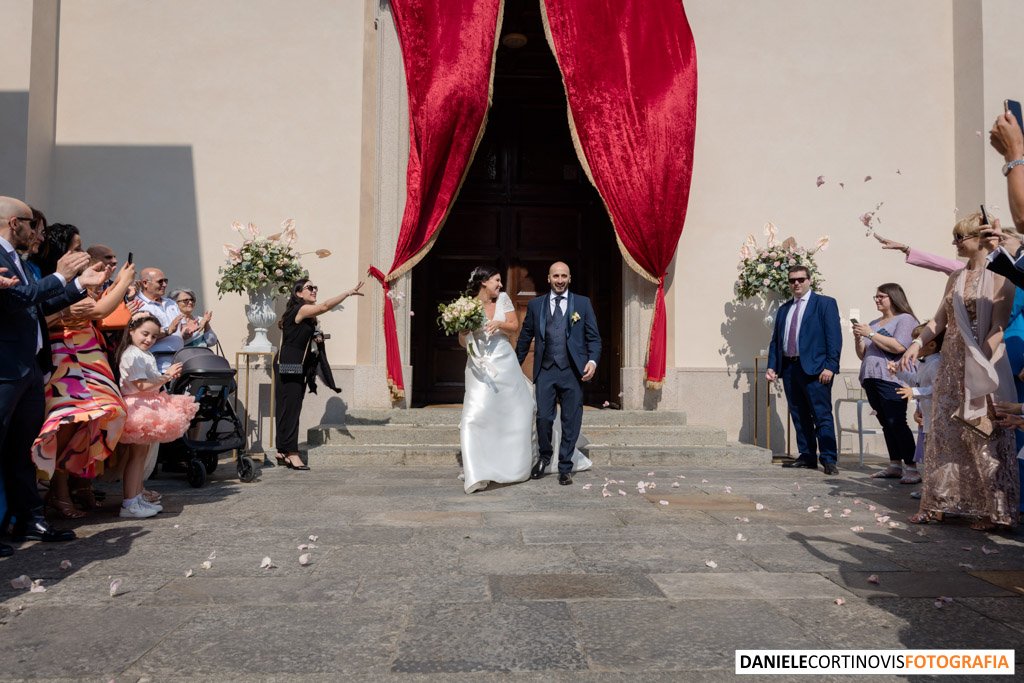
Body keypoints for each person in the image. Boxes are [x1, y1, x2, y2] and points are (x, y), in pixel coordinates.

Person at [0, 196, 105, 554]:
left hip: (29, 369)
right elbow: (15, 301)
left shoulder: (20, 261)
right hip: (4, 368)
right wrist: (61, 275)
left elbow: (37, 302)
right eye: (31, 224)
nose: (36, 232)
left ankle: (28, 518)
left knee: (20, 450)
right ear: (15, 223)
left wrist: (77, 285)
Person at [901, 213, 1019, 530]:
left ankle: (994, 511)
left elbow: (998, 326)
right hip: (952, 360)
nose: (955, 243)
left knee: (983, 434)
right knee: (944, 432)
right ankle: (941, 502)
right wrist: (917, 344)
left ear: (978, 239)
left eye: (959, 237)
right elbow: (939, 320)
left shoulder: (1001, 279)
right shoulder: (955, 277)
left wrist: (982, 359)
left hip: (983, 360)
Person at [29, 223, 134, 518]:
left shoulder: (76, 280)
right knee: (68, 421)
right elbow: (97, 311)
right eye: (76, 247)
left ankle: (78, 485)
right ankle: (57, 491)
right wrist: (124, 281)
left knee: (92, 420)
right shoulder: (56, 281)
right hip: (66, 356)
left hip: (88, 355)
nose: (81, 253)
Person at [515, 261, 601, 486]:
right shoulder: (536, 305)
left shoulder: (582, 304)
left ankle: (565, 466)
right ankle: (544, 457)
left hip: (573, 371)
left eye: (564, 276)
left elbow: (594, 338)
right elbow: (525, 337)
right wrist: (515, 365)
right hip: (545, 370)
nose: (560, 280)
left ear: (569, 278)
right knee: (543, 417)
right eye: (556, 276)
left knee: (571, 419)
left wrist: (592, 361)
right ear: (548, 278)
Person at [457, 267, 534, 493]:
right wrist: (464, 331)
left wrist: (498, 324)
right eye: (497, 280)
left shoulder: (503, 299)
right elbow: (462, 342)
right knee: (474, 416)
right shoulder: (467, 305)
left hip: (504, 363)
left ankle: (510, 465)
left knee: (511, 412)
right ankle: (476, 470)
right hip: (478, 365)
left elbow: (514, 327)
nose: (500, 285)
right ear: (484, 282)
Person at [274, 277, 363, 470]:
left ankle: (282, 450)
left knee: (287, 407)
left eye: (315, 287)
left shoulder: (303, 313)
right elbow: (323, 306)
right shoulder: (301, 309)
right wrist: (347, 293)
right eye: (309, 287)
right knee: (291, 408)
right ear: (298, 293)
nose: (314, 290)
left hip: (293, 363)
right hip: (290, 364)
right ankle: (292, 453)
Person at [116, 313, 198, 518]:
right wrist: (166, 376)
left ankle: (136, 497)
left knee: (141, 456)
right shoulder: (132, 354)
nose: (149, 340)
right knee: (136, 457)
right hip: (138, 406)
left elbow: (148, 382)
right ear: (131, 331)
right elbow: (140, 385)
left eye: (153, 336)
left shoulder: (144, 354)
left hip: (147, 403)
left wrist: (164, 376)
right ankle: (129, 503)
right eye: (145, 334)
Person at [765, 265, 842, 475]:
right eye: (792, 280)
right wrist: (772, 366)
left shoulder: (825, 304)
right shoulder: (784, 309)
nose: (796, 283)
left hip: (817, 369)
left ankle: (828, 459)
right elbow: (776, 341)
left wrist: (831, 366)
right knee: (799, 414)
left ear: (809, 280)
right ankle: (807, 455)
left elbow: (834, 337)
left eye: (800, 279)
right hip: (790, 368)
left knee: (821, 415)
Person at [852, 284, 920, 483]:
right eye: (875, 297)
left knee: (896, 421)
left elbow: (900, 346)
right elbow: (863, 354)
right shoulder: (873, 322)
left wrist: (870, 334)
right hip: (871, 376)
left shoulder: (905, 319)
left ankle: (912, 467)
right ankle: (894, 465)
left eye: (881, 296)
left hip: (892, 377)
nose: (877, 300)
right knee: (885, 422)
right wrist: (859, 339)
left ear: (894, 297)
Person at [136, 267, 185, 372]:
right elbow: (141, 337)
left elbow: (180, 332)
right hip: (156, 367)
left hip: (178, 364)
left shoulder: (171, 303)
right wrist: (168, 331)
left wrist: (187, 332)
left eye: (165, 281)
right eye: (160, 281)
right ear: (145, 283)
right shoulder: (138, 305)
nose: (164, 285)